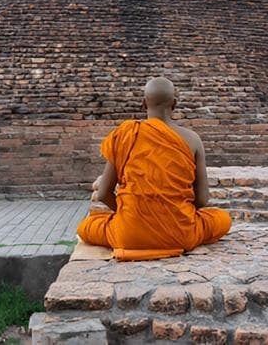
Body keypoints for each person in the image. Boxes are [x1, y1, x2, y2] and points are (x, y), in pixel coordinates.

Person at [76, 77, 232, 261]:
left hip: (128, 234)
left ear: (143, 103)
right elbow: (203, 199)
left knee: (86, 226)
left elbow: (102, 194)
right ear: (174, 104)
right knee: (222, 219)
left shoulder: (126, 135)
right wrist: (174, 214)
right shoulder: (193, 139)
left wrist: (136, 216)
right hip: (181, 233)